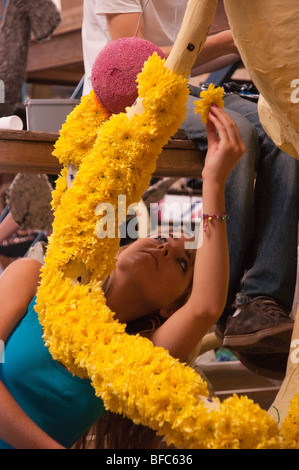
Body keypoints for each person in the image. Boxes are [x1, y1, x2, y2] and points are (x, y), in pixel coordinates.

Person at [0, 107, 245, 448]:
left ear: (171, 309)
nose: (164, 249)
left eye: (182, 263)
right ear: (119, 249)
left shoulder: (136, 354)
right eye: (162, 239)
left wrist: (214, 180)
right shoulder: (35, 278)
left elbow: (205, 307)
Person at [81, 0, 298, 357]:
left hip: (181, 87)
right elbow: (130, 63)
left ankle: (259, 300)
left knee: (283, 126)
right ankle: (217, 299)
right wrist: (234, 39)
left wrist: (242, 43)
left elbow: (192, 56)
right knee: (238, 133)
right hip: (124, 96)